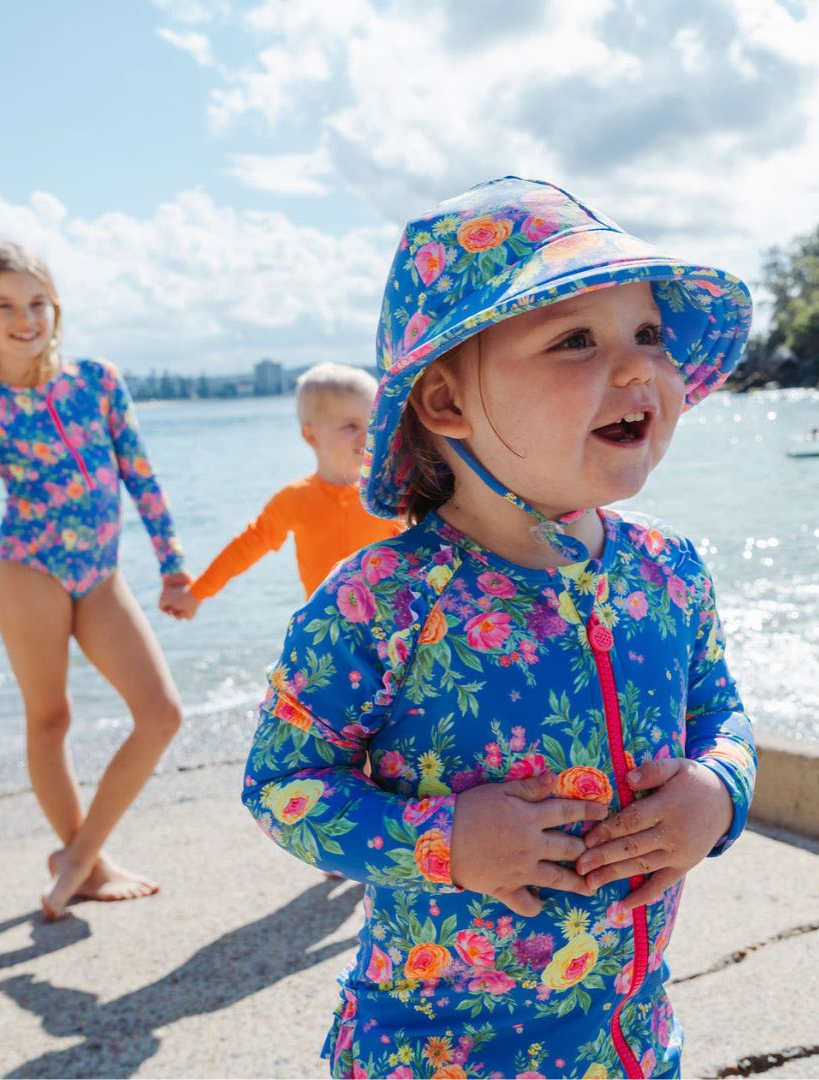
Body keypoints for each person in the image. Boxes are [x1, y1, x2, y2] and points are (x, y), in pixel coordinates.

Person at [241, 176, 756, 1079]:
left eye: (648, 334)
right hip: (437, 1051)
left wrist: (717, 792)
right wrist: (443, 841)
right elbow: (282, 785)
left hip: (632, 1040)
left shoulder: (669, 573)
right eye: (574, 341)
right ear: (445, 405)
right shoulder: (384, 600)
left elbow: (723, 715)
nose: (639, 368)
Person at [0, 242, 187, 919]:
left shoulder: (96, 380)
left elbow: (140, 474)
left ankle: (77, 856)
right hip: (28, 571)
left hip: (101, 575)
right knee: (50, 716)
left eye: (36, 301)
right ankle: (86, 863)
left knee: (161, 714)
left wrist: (173, 561)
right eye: (4, 304)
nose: (25, 317)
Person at [160, 363, 402, 620]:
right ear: (311, 436)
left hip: (389, 628)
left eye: (372, 424)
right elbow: (245, 548)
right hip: (324, 632)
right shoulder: (295, 499)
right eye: (351, 426)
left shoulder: (389, 494)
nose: (367, 436)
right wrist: (196, 593)